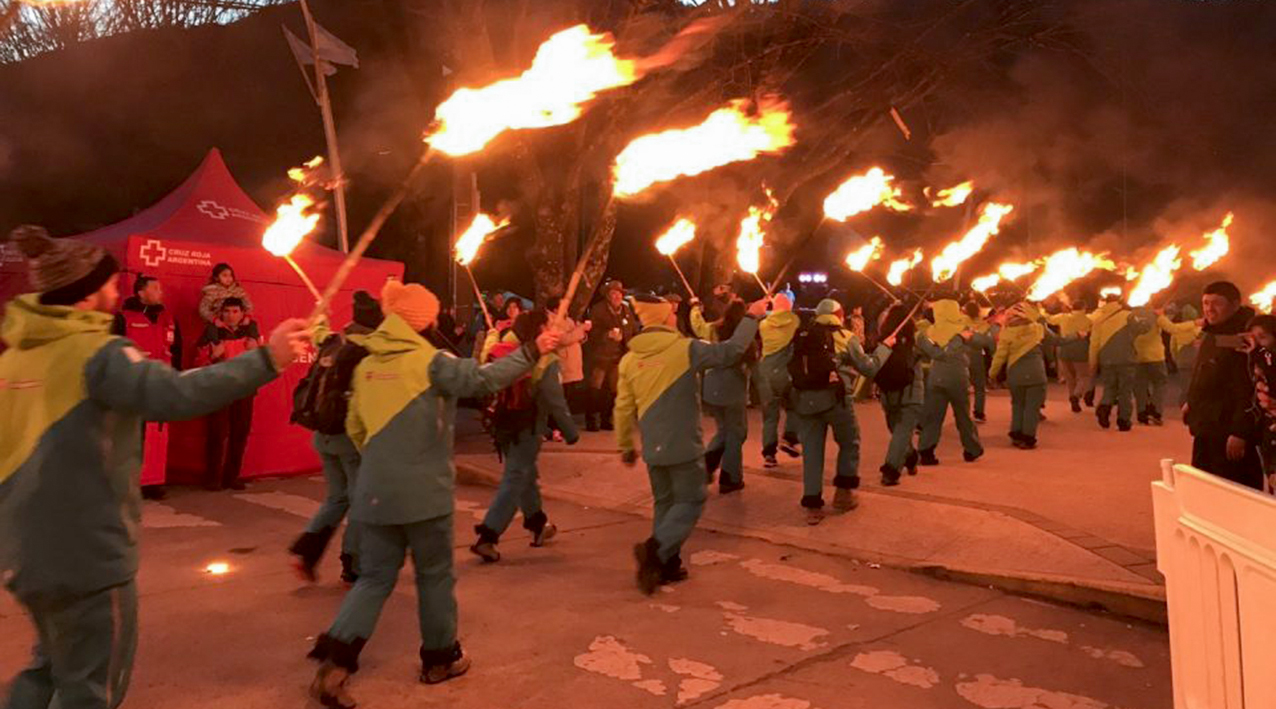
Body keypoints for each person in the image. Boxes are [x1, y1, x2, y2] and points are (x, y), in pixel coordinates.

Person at [0, 225, 307, 709]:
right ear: (83, 294)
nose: (115, 289)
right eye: (106, 282)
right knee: (89, 689)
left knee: (46, 670)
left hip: (26, 554)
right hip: (87, 558)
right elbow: (178, 393)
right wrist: (268, 358)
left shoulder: (15, 359)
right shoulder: (99, 356)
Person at [308, 282, 562, 708]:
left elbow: (356, 429)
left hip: (374, 492)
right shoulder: (433, 364)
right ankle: (440, 658)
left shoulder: (366, 365)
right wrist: (533, 351)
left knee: (373, 579)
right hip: (425, 496)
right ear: (422, 319)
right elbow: (485, 379)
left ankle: (335, 665)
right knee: (435, 575)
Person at [616, 293, 765, 594]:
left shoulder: (630, 359)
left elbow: (623, 406)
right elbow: (731, 351)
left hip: (653, 446)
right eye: (671, 312)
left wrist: (625, 445)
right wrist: (752, 317)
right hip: (683, 443)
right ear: (662, 317)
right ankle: (655, 550)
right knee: (692, 499)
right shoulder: (685, 349)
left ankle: (665, 565)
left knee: (665, 502)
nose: (675, 316)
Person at [288, 291, 383, 585]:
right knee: (359, 500)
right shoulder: (368, 351)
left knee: (336, 498)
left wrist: (321, 312)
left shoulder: (333, 342)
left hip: (322, 434)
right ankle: (352, 561)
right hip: (348, 438)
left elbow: (318, 331)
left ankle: (307, 551)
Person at [471, 309, 579, 562]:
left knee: (525, 475)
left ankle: (538, 525)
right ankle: (488, 536)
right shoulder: (545, 360)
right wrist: (570, 431)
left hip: (500, 424)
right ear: (540, 328)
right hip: (526, 427)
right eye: (549, 323)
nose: (553, 328)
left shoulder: (502, 347)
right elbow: (555, 401)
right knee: (516, 477)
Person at [789, 299, 892, 523]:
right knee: (849, 442)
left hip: (805, 400)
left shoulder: (802, 336)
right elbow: (868, 367)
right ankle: (843, 494)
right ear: (839, 313)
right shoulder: (845, 337)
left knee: (812, 452)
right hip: (836, 400)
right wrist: (886, 348)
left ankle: (813, 504)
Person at [1184, 281, 1262, 489]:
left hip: (1228, 428)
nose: (1210, 309)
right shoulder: (1214, 333)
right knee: (1205, 485)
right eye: (1205, 303)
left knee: (1233, 489)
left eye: (1216, 303)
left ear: (1235, 304)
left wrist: (1240, 432)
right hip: (1207, 424)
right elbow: (1204, 372)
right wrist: (1190, 401)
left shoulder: (1243, 338)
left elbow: (1248, 387)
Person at [111, 274, 181, 500]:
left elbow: (176, 351)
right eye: (155, 288)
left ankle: (152, 482)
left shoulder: (168, 318)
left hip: (161, 385)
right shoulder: (123, 318)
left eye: (160, 287)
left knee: (157, 437)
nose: (160, 291)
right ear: (140, 292)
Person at [195, 297, 262, 491]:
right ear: (221, 313)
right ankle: (212, 478)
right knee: (216, 434)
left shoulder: (251, 332)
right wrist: (213, 355)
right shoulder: (212, 331)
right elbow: (197, 361)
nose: (231, 315)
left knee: (239, 434)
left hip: (244, 388)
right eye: (227, 311)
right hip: (219, 389)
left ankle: (231, 477)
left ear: (242, 313)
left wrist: (257, 351)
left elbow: (262, 360)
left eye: (235, 311)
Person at [690, 296, 756, 494]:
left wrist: (694, 307)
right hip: (732, 388)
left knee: (723, 430)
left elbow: (697, 326)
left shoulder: (713, 329)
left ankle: (705, 467)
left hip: (711, 386)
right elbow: (749, 363)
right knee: (737, 433)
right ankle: (730, 477)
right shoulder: (742, 336)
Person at [916, 299, 984, 465]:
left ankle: (926, 451)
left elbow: (929, 352)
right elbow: (985, 342)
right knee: (962, 415)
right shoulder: (963, 329)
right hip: (957, 377)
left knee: (933, 416)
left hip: (935, 376)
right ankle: (972, 449)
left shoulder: (927, 332)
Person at [989, 303, 1063, 450]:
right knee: (1032, 408)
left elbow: (1000, 356)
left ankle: (1016, 434)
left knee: (1018, 405)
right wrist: (1077, 336)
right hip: (1036, 374)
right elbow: (1056, 340)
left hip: (1015, 374)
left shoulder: (1006, 333)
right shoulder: (1037, 329)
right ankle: (1028, 438)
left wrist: (992, 373)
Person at [873, 303, 923, 485]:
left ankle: (901, 462)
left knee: (898, 431)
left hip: (888, 394)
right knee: (902, 433)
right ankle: (893, 470)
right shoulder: (916, 340)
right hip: (911, 393)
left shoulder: (883, 342)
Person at [1089, 296, 1150, 432]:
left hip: (1106, 359)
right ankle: (1123, 421)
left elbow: (1094, 343)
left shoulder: (1099, 319)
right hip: (1126, 359)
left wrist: (1093, 362)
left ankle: (1104, 407)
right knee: (1125, 390)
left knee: (1109, 387)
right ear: (1118, 302)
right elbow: (1144, 329)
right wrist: (1144, 315)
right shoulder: (1128, 316)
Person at [585, 280, 638, 431]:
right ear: (608, 295)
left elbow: (633, 330)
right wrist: (606, 334)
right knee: (595, 387)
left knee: (614, 390)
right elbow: (591, 332)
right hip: (600, 356)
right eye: (613, 293)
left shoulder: (626, 310)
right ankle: (591, 420)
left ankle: (606, 419)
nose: (616, 296)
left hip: (620, 355)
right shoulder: (598, 310)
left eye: (619, 293)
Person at [757, 293, 803, 467]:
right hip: (785, 371)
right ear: (789, 307)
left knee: (769, 416)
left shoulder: (763, 325)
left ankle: (769, 454)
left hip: (765, 372)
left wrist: (769, 304)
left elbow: (769, 315)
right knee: (794, 406)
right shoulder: (794, 321)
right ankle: (790, 438)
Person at [1133, 306, 1200, 426]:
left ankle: (1142, 413)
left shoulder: (1130, 315)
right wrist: (1194, 323)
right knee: (1160, 383)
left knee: (1140, 386)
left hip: (1137, 356)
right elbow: (1173, 328)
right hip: (1155, 357)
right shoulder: (1156, 316)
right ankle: (1156, 411)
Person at [1048, 298, 1093, 412]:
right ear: (1084, 308)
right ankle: (1076, 395)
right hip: (1081, 352)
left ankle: (1073, 399)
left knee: (1070, 379)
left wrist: (1039, 308)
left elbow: (1048, 319)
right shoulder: (1089, 319)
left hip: (1064, 351)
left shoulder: (1063, 317)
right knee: (1084, 376)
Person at [962, 301, 995, 422]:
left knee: (962, 387)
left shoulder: (960, 322)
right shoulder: (984, 325)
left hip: (961, 354)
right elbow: (989, 342)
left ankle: (962, 412)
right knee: (979, 386)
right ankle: (979, 412)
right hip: (977, 355)